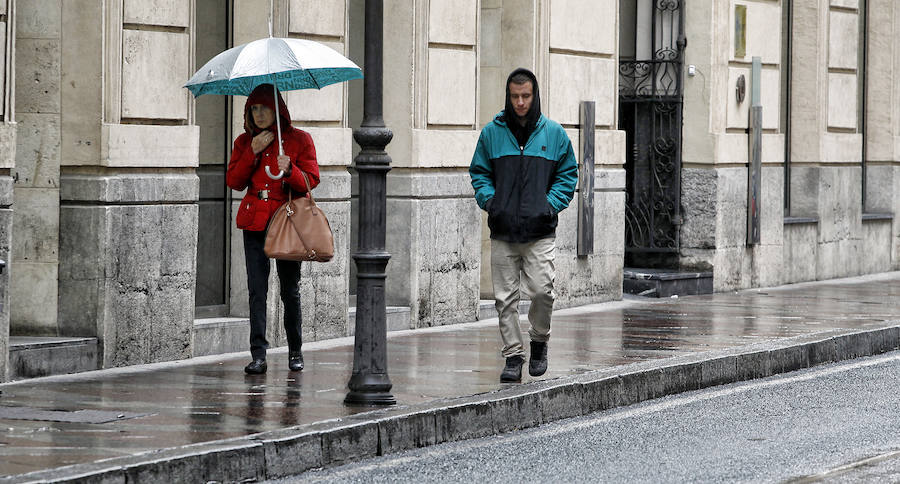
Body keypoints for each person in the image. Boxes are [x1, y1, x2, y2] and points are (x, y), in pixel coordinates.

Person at [469, 68, 578, 383]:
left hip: (539, 231)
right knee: (505, 299)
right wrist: (492, 203)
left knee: (543, 291)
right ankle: (513, 356)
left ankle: (539, 342)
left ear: (535, 95)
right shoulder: (491, 133)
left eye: (525, 96)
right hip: (503, 231)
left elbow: (568, 173)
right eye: (515, 96)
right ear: (508, 95)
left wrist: (549, 205)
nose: (520, 102)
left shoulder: (553, 133)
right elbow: (479, 172)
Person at [226, 83, 320, 375]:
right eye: (253, 108)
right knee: (257, 290)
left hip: (287, 222)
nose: (258, 114)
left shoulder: (299, 140)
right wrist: (251, 153)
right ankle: (258, 355)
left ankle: (295, 351)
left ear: (277, 109)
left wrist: (290, 169)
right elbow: (234, 182)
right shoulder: (244, 142)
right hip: (255, 222)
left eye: (264, 107)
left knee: (289, 290)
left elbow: (311, 181)